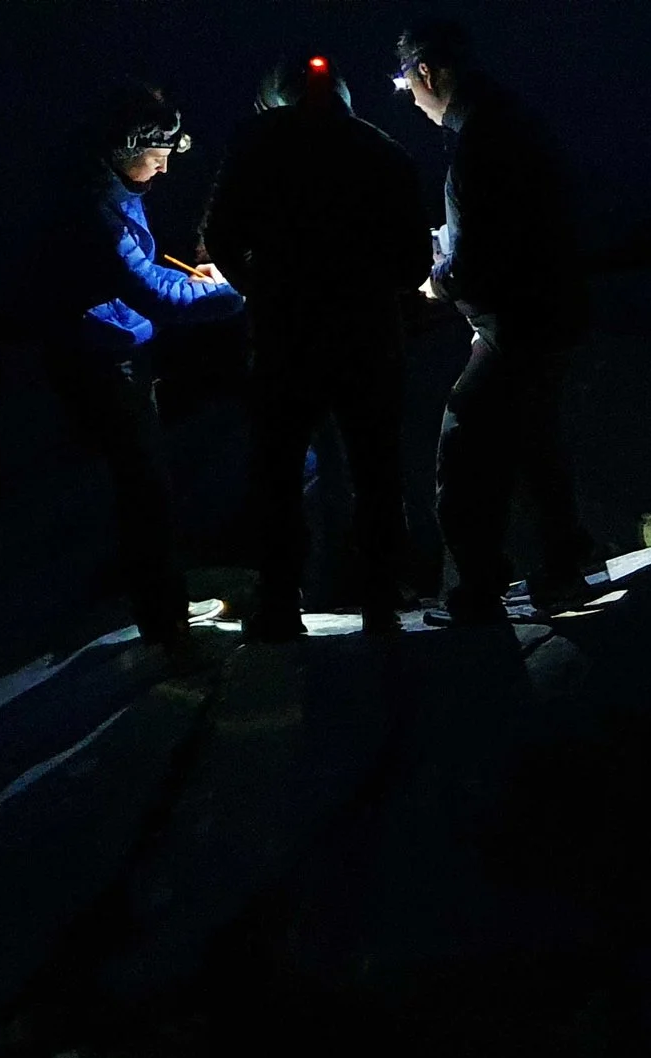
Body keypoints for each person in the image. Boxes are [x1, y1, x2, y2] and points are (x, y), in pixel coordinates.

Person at [201, 55, 426, 640]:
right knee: (376, 472)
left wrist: (262, 287)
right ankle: (381, 601)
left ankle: (279, 604)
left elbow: (220, 235)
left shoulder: (256, 143)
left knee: (277, 473)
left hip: (285, 338)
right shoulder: (384, 151)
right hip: (368, 339)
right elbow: (414, 262)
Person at [391, 19, 608, 625]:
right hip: (550, 309)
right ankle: (565, 569)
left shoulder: (482, 136)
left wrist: (436, 277)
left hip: (515, 321)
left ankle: (478, 591)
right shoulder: (508, 119)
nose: (410, 97)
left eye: (406, 83)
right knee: (535, 440)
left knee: (465, 446)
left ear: (427, 73)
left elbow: (487, 251)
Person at [38, 82, 243, 646]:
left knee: (148, 486)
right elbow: (150, 291)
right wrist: (235, 292)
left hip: (117, 351)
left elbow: (146, 272)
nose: (163, 172)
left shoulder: (109, 193)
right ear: (131, 148)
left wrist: (198, 278)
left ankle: (167, 603)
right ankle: (164, 619)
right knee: (144, 489)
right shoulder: (99, 208)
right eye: (157, 159)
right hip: (106, 361)